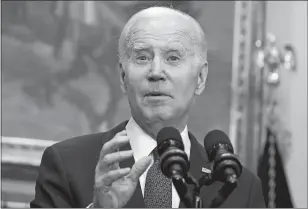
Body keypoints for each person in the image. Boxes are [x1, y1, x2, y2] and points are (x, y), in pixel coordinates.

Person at [31, 6, 265, 208]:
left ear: (201, 78)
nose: (155, 72)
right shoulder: (67, 164)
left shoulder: (240, 187)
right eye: (142, 57)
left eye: (173, 58)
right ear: (123, 77)